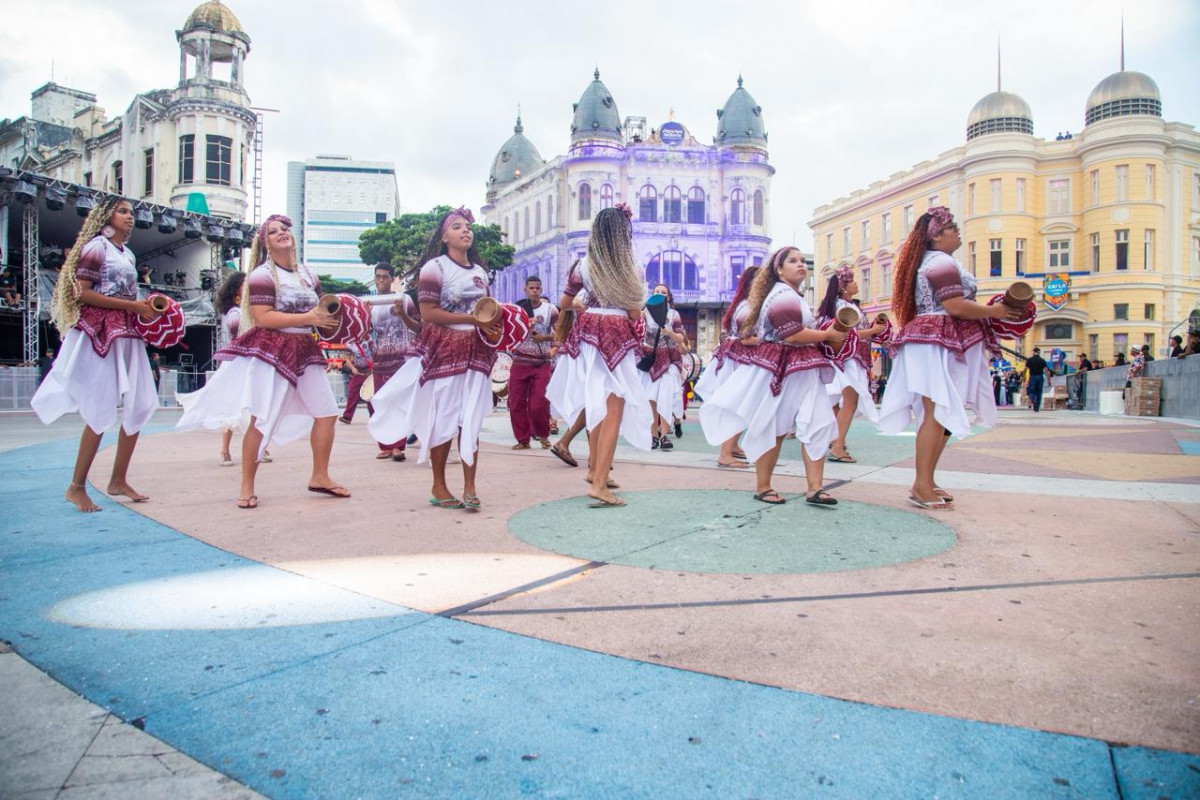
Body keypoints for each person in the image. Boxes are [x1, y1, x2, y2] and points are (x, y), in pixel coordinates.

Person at [177, 214, 350, 509]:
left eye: (285, 229)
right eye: (273, 231)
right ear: (265, 242)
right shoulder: (261, 275)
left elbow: (323, 313)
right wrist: (310, 318)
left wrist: (332, 322)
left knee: (327, 412)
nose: (282, 233)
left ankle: (320, 476)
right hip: (273, 349)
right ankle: (246, 485)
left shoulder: (309, 275)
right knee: (261, 418)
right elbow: (263, 317)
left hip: (305, 348)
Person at [878, 206, 1021, 509]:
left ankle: (926, 480)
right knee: (935, 413)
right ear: (938, 235)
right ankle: (921, 484)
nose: (957, 231)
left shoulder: (933, 261)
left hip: (935, 340)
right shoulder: (941, 262)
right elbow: (955, 306)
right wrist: (995, 311)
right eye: (953, 227)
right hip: (937, 341)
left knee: (939, 414)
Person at [31, 197, 161, 512]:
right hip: (100, 333)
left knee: (140, 402)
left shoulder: (127, 254)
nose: (130, 217)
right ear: (107, 215)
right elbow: (83, 292)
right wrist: (134, 307)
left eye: (131, 212)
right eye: (123, 211)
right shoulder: (96, 248)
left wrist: (148, 311)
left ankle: (118, 479)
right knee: (101, 406)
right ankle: (76, 487)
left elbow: (128, 295)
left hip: (127, 334)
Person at [367, 207, 498, 509]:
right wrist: (473, 319)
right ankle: (439, 486)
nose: (465, 230)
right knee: (446, 417)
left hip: (476, 349)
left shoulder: (480, 272)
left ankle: (470, 485)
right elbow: (428, 314)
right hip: (445, 347)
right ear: (444, 236)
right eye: (457, 226)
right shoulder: (434, 268)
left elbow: (487, 309)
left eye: (468, 226)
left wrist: (493, 324)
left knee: (471, 419)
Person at [700, 246, 845, 506]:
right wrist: (827, 335)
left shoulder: (791, 295)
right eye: (793, 261)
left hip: (801, 367)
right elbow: (792, 335)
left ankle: (815, 487)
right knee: (775, 427)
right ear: (779, 269)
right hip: (782, 366)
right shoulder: (781, 296)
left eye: (802, 260)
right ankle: (765, 486)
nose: (801, 264)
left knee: (818, 422)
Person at [545, 204, 652, 507]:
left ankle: (595, 471)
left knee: (595, 404)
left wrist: (587, 301)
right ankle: (600, 483)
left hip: (589, 331)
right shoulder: (631, 267)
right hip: (617, 331)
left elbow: (565, 302)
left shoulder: (583, 264)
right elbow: (634, 311)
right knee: (614, 409)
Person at [816, 265, 887, 463]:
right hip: (849, 358)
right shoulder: (844, 307)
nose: (857, 283)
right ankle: (837, 445)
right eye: (853, 281)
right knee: (850, 401)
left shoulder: (839, 305)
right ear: (843, 287)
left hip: (844, 358)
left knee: (839, 402)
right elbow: (849, 333)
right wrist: (874, 331)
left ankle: (836, 440)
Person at [694, 266, 760, 469]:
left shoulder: (743, 304)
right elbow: (747, 339)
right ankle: (725, 453)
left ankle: (732, 447)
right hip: (740, 359)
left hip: (734, 357)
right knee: (737, 403)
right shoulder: (748, 307)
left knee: (742, 403)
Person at [366, 263, 420, 460]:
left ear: (392, 279)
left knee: (399, 403)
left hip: (401, 360)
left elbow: (418, 327)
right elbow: (364, 332)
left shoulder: (404, 300)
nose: (381, 280)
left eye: (385, 277)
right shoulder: (369, 302)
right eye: (378, 276)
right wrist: (363, 314)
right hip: (380, 360)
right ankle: (385, 445)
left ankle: (398, 446)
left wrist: (402, 314)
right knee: (379, 403)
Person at [509, 275, 558, 450]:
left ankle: (543, 435)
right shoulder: (517, 310)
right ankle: (523, 440)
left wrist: (544, 339)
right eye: (531, 288)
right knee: (515, 402)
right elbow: (508, 333)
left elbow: (560, 334)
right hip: (520, 361)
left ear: (541, 289)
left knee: (539, 403)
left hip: (541, 362)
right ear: (525, 290)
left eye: (537, 288)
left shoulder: (550, 310)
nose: (535, 291)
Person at [640, 283, 689, 451]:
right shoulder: (644, 314)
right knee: (651, 398)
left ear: (668, 297)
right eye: (657, 292)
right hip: (650, 359)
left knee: (666, 397)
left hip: (669, 359)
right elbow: (639, 335)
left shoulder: (673, 315)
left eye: (663, 292)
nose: (660, 294)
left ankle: (665, 434)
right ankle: (653, 435)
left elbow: (680, 340)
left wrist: (669, 332)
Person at [338, 341, 372, 424]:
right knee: (352, 393)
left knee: (370, 395)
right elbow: (346, 357)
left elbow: (376, 353)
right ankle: (347, 417)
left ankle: (374, 416)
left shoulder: (369, 341)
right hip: (358, 373)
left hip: (369, 372)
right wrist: (352, 368)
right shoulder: (350, 344)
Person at [1023, 347, 1052, 412]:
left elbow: (1025, 369)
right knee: (1039, 392)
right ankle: (1037, 408)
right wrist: (1049, 380)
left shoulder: (1030, 360)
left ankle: (1033, 400)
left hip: (1032, 377)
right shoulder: (1042, 360)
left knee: (1031, 391)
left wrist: (1023, 377)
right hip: (1040, 377)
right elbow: (1046, 370)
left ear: (1034, 352)